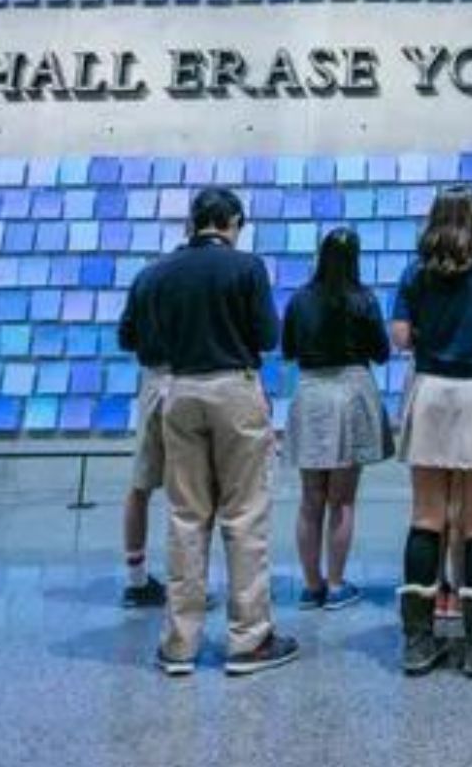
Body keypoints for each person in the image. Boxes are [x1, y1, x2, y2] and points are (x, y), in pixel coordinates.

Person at [122, 187, 297, 677]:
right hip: (234, 391)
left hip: (179, 392)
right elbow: (266, 337)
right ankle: (249, 640)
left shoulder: (158, 273)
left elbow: (138, 339)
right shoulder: (247, 267)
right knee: (244, 516)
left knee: (185, 517)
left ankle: (179, 644)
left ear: (193, 222)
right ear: (233, 221)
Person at [391, 186, 472, 678]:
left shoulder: (416, 271)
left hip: (430, 392)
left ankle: (418, 641)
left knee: (426, 516)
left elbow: (401, 336)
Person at [282, 227, 392, 612]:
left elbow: (289, 350)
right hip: (352, 393)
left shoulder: (299, 300)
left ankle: (311, 587)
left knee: (310, 498)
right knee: (342, 500)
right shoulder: (363, 299)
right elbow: (381, 352)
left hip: (311, 393)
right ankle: (336, 583)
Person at [115, 233, 178, 609]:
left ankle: (136, 580)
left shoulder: (145, 278)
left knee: (140, 485)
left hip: (153, 382)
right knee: (189, 492)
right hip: (190, 380)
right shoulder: (197, 278)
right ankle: (186, 582)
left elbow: (126, 337)